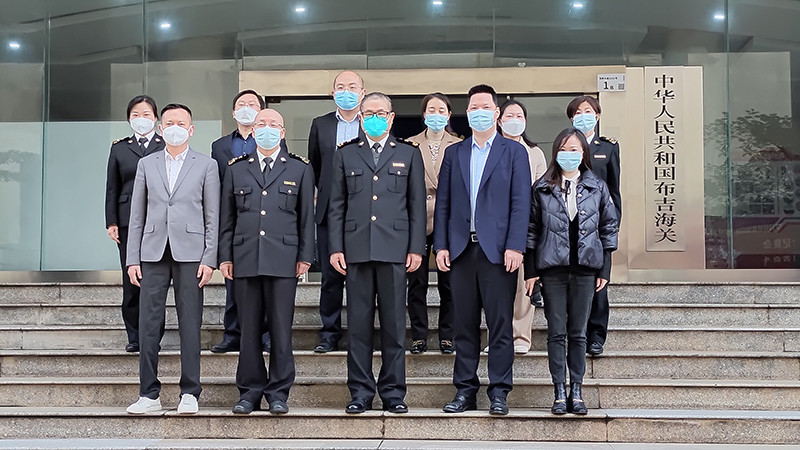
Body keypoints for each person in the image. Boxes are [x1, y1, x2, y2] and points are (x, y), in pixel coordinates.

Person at [433, 84, 531, 416]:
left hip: (499, 252)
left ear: (496, 113)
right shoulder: (455, 153)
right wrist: (441, 245)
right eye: (473, 107)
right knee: (464, 325)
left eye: (485, 107)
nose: (479, 112)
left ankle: (499, 392)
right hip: (461, 251)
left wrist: (515, 245)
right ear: (467, 113)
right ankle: (465, 391)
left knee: (500, 325)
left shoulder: (513, 152)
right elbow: (443, 204)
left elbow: (521, 203)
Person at [328, 92, 426, 414]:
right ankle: (360, 393)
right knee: (358, 327)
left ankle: (394, 393)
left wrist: (416, 248)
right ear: (360, 118)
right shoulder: (346, 153)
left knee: (394, 327)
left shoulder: (409, 153)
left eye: (380, 113)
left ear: (391, 117)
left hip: (395, 250)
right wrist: (336, 247)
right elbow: (337, 205)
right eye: (368, 113)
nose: (374, 118)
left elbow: (416, 206)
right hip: (356, 250)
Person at [124, 103, 220, 415]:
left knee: (190, 323)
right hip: (152, 252)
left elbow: (212, 216)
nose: (174, 128)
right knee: (148, 323)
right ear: (160, 128)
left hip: (191, 253)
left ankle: (190, 392)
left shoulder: (206, 165)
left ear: (191, 130)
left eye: (181, 123)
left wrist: (209, 258)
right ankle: (148, 394)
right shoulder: (147, 164)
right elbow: (136, 215)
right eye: (169, 123)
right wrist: (132, 258)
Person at [219, 109, 315, 415]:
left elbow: (306, 219)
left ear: (283, 133)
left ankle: (278, 393)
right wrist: (225, 256)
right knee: (248, 330)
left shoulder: (299, 168)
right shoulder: (236, 168)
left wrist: (305, 256)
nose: (267, 129)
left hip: (284, 259)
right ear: (253, 130)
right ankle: (249, 392)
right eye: (261, 124)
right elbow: (227, 218)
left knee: (280, 330)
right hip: (245, 257)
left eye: (274, 125)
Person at [523, 127, 618, 415]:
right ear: (555, 153)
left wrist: (605, 269)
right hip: (552, 269)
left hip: (586, 268)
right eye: (563, 150)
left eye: (574, 150)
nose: (569, 155)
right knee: (556, 333)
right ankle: (558, 391)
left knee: (578, 333)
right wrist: (531, 272)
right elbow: (531, 231)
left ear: (583, 153)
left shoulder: (597, 187)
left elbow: (608, 229)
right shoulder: (542, 187)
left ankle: (576, 390)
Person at [308, 71, 366, 353]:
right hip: (329, 212)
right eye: (341, 87)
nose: (346, 91)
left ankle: (360, 333)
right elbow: (315, 166)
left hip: (363, 212)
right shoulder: (321, 124)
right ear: (333, 93)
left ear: (362, 93)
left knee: (360, 278)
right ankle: (329, 333)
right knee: (331, 278)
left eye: (352, 87)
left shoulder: (372, 123)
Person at [210, 89, 271, 354]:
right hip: (233, 217)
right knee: (232, 278)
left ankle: (266, 334)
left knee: (266, 277)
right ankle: (233, 333)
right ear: (234, 112)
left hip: (263, 216)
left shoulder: (270, 139)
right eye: (242, 104)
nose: (247, 108)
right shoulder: (220, 146)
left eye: (253, 104)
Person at [105, 95, 165, 353]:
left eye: (146, 114)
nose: (141, 119)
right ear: (129, 119)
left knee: (155, 281)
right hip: (128, 221)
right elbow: (112, 187)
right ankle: (135, 336)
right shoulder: (120, 148)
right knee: (131, 281)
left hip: (158, 220)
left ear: (156, 118)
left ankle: (153, 337)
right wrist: (111, 221)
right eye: (136, 115)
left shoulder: (165, 145)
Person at [405, 93, 461, 355]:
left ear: (448, 115)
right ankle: (419, 335)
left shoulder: (459, 144)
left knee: (449, 282)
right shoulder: (410, 145)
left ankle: (447, 335)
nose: (436, 114)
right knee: (416, 282)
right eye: (431, 110)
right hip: (417, 219)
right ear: (424, 114)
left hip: (448, 221)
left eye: (441, 110)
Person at [566, 95, 622, 357]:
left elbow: (614, 190)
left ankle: (596, 336)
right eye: (577, 112)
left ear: (597, 116)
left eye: (588, 111)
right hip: (570, 224)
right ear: (571, 118)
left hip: (597, 226)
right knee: (572, 282)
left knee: (599, 283)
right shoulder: (565, 146)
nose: (583, 116)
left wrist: (613, 225)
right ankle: (575, 332)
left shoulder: (608, 147)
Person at [498, 99, 547, 355]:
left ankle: (521, 336)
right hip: (495, 225)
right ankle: (499, 335)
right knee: (497, 284)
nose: (514, 120)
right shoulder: (490, 149)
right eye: (510, 115)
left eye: (519, 116)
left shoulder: (534, 153)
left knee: (523, 282)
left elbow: (541, 191)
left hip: (526, 224)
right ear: (499, 120)